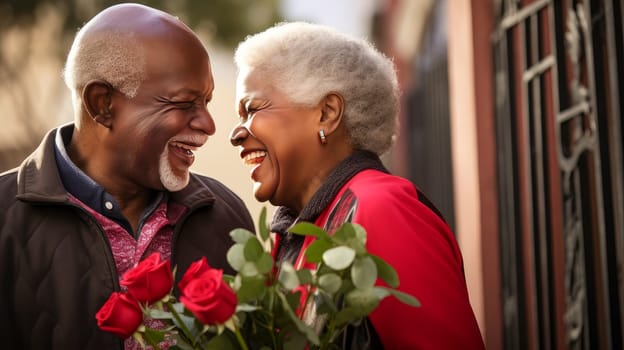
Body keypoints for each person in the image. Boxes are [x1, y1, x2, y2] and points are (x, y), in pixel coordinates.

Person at [0, 3, 254, 349]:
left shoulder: (225, 216)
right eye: (184, 102)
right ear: (103, 103)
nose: (208, 125)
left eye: (206, 102)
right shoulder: (6, 221)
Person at [229, 21, 485, 349]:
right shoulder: (291, 234)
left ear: (327, 113)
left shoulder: (381, 208)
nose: (236, 134)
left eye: (252, 109)